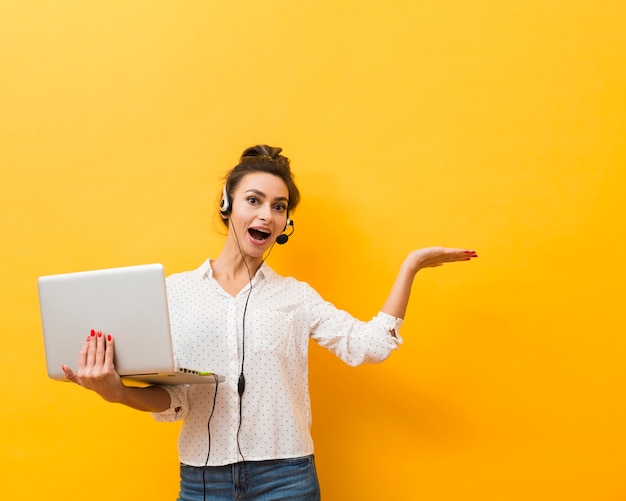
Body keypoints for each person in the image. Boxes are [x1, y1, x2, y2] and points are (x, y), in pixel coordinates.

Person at [62, 145, 478, 501]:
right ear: (228, 203)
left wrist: (411, 267)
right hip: (204, 480)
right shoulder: (174, 293)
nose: (267, 215)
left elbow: (368, 345)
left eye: (279, 208)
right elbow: (177, 401)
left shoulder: (296, 296)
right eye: (254, 200)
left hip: (287, 479)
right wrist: (117, 393)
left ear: (284, 225)